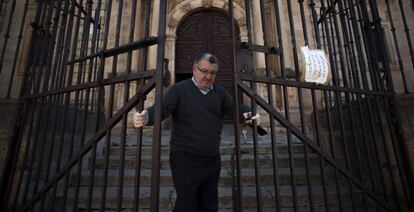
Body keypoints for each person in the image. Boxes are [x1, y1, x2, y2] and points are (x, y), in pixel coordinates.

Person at [133, 53, 260, 212]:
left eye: (213, 73)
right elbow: (162, 109)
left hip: (212, 159)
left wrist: (250, 115)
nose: (208, 77)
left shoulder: (219, 93)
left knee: (209, 204)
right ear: (194, 69)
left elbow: (236, 107)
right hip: (185, 158)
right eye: (204, 71)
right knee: (186, 204)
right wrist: (147, 117)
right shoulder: (179, 89)